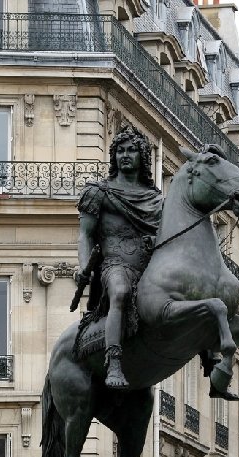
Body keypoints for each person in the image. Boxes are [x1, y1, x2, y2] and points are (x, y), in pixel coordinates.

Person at [75, 125, 163, 389]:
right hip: (115, 263)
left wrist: (155, 241)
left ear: (142, 158)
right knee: (121, 292)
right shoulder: (99, 192)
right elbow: (85, 235)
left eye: (132, 151)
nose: (125, 155)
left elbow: (166, 235)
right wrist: (84, 267)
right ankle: (113, 362)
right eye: (120, 151)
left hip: (149, 265)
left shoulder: (155, 200)